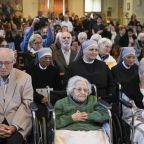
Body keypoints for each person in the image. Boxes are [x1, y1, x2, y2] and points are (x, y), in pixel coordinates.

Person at [55, 75, 109, 144]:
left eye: (85, 90)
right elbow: (54, 122)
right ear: (72, 90)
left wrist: (89, 116)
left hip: (91, 131)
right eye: (79, 89)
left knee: (101, 138)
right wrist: (71, 118)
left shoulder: (93, 100)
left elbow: (105, 114)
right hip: (67, 131)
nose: (83, 92)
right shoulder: (61, 103)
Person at [0, 48, 33, 144]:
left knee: (14, 142)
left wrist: (14, 127)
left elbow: (27, 103)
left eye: (7, 63)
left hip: (17, 121)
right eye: (0, 62)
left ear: (13, 61)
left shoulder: (25, 78)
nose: (3, 67)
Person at [26, 47, 62, 117]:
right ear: (39, 58)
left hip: (51, 99)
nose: (48, 60)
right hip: (36, 99)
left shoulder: (54, 70)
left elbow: (58, 88)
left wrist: (50, 97)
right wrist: (40, 98)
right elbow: (29, 89)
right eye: (45, 58)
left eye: (50, 58)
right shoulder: (31, 70)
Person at [121, 58, 144, 144]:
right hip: (134, 118)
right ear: (141, 72)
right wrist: (142, 115)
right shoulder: (130, 88)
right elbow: (127, 113)